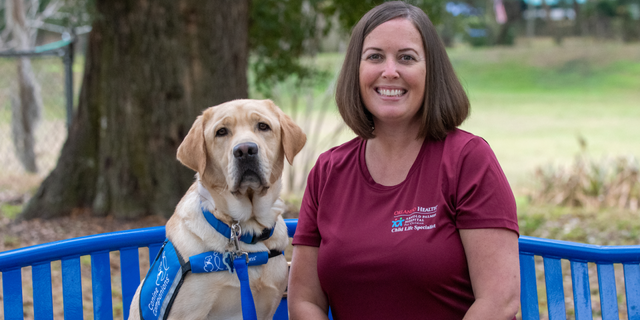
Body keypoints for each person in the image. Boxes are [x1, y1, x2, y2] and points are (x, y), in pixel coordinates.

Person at [288, 1, 520, 319]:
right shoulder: (328, 171)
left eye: (406, 58)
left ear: (431, 71)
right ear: (356, 70)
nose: (390, 71)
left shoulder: (468, 160)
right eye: (374, 57)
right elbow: (304, 301)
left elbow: (500, 300)